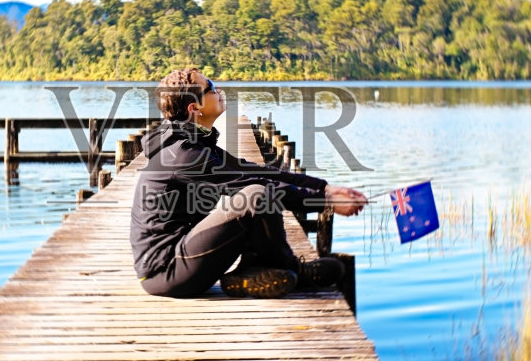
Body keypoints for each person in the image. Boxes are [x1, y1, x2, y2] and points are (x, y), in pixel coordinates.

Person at [130, 66, 368, 299]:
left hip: (181, 259)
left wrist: (323, 188)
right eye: (211, 87)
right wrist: (326, 202)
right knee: (256, 195)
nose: (219, 88)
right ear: (195, 108)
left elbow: (258, 171)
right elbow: (253, 183)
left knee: (257, 190)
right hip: (166, 271)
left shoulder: (193, 145)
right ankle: (291, 268)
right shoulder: (184, 154)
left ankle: (253, 269)